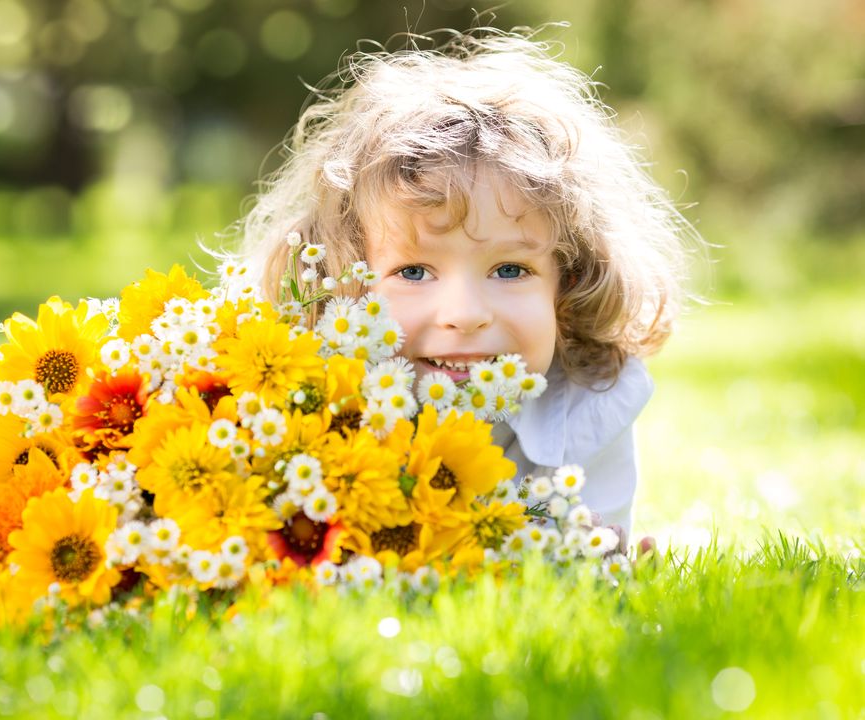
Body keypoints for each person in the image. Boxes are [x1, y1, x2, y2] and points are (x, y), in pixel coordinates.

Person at [237, 28, 697, 544]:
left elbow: (584, 562)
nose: (464, 313)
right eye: (413, 272)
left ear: (565, 286)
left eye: (509, 270)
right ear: (346, 285)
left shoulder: (593, 403)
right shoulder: (306, 407)